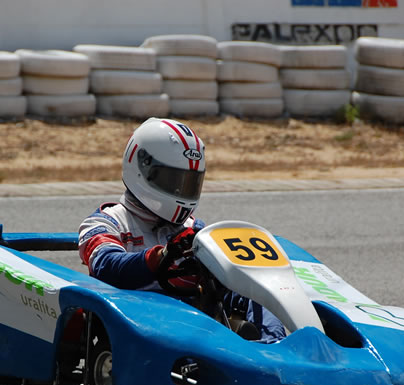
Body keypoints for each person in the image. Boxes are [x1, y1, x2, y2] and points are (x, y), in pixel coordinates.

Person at [78, 117, 285, 342]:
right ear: (142, 167)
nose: (181, 191)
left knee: (256, 292)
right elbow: (106, 268)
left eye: (189, 183)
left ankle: (274, 349)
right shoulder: (106, 222)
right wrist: (161, 256)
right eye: (173, 180)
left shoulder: (193, 230)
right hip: (135, 328)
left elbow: (225, 285)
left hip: (194, 329)